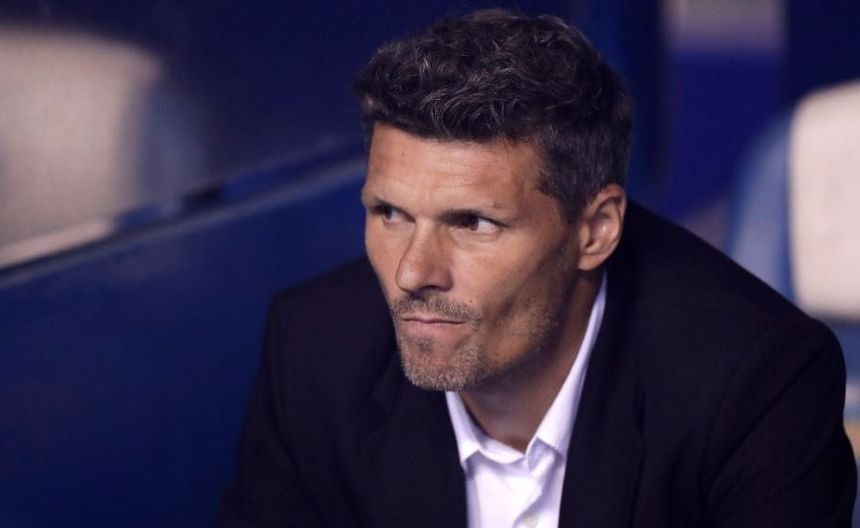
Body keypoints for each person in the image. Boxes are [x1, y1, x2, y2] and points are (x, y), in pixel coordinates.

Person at [220, 9, 856, 527]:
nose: (413, 273)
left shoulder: (757, 381)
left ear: (595, 230)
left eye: (473, 223)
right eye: (390, 213)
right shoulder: (313, 348)